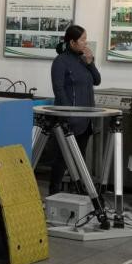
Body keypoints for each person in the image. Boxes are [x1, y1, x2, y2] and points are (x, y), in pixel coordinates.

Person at [49, 25, 101, 195]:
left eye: (86, 39)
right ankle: (53, 193)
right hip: (69, 119)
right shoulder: (60, 61)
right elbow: (58, 89)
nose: (86, 43)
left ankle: (78, 193)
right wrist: (68, 114)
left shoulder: (83, 60)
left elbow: (97, 80)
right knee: (62, 158)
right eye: (83, 40)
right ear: (72, 42)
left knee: (80, 158)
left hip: (85, 119)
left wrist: (90, 62)